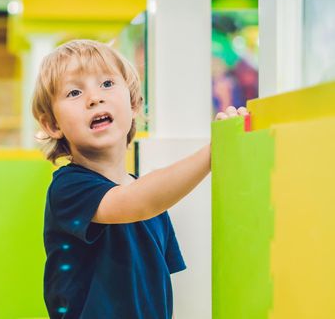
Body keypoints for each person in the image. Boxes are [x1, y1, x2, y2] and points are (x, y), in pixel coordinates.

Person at [31, 39, 247, 319]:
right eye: (74, 92)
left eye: (107, 84)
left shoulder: (151, 201)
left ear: (133, 103)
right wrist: (212, 153)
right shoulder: (68, 188)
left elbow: (156, 288)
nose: (94, 98)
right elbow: (133, 202)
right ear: (53, 125)